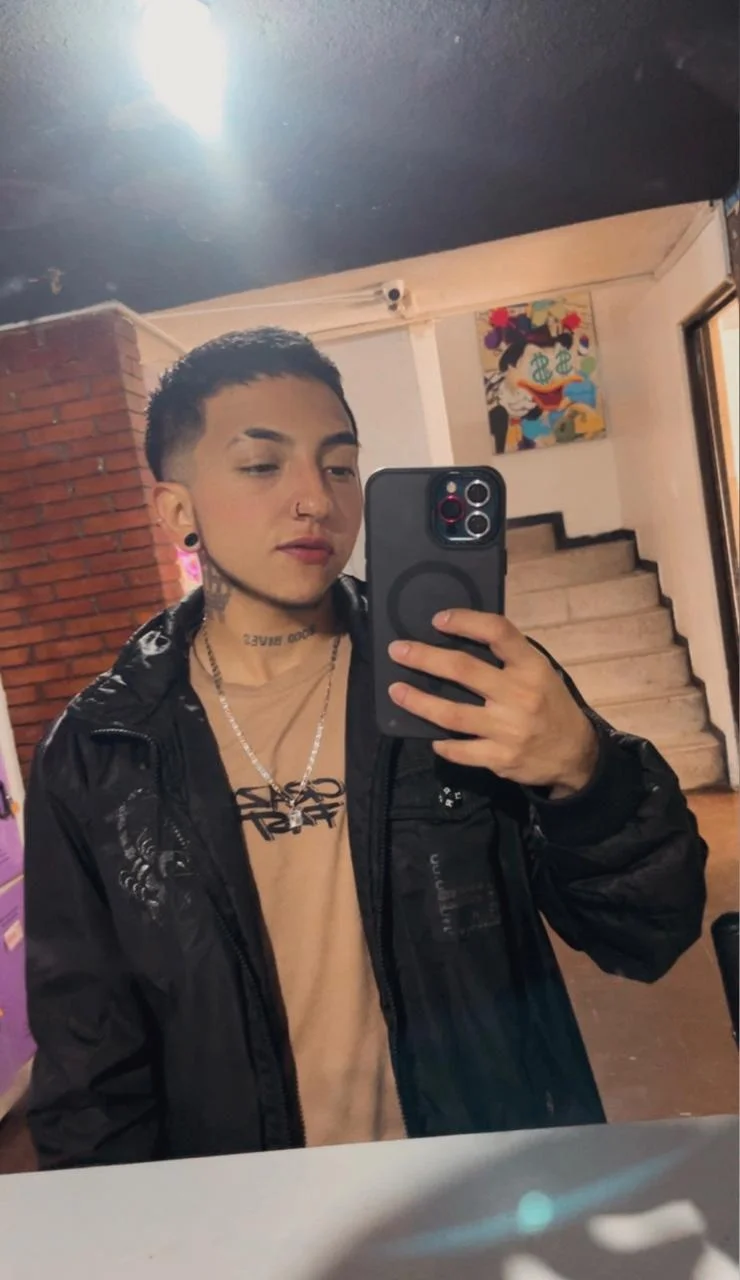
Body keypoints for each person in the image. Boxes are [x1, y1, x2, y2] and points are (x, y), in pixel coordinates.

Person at [24, 328, 707, 1170]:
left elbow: (648, 935)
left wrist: (586, 773)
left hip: (479, 1180)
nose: (316, 499)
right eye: (262, 465)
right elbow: (90, 1064)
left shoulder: (466, 680)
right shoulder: (102, 749)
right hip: (248, 1205)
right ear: (176, 510)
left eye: (340, 465)